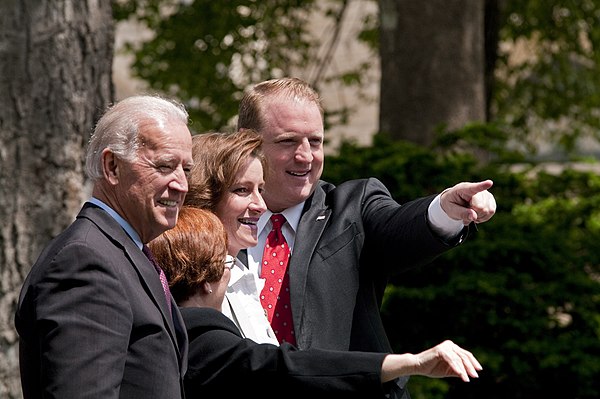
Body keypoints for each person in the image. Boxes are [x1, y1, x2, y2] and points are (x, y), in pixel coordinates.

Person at [236, 77, 497, 398]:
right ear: (248, 144)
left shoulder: (352, 208)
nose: (305, 156)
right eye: (288, 142)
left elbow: (398, 227)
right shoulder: (216, 224)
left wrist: (445, 208)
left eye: (315, 142)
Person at [149, 202, 482, 398]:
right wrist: (409, 363)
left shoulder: (158, 323)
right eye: (226, 264)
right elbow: (283, 366)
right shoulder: (202, 338)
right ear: (206, 282)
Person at [15, 95, 192, 399]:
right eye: (164, 166)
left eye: (186, 170)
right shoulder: (85, 261)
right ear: (112, 166)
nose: (181, 185)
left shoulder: (124, 252)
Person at [184, 129, 279, 344]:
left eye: (260, 190)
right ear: (205, 195)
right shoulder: (192, 284)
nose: (261, 206)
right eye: (242, 190)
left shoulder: (241, 273)